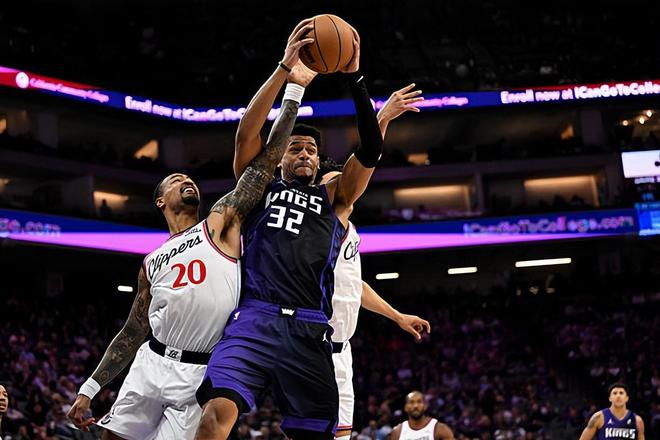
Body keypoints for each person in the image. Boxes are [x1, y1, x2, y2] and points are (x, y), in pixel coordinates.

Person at [65, 23, 312, 440]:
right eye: (176, 179)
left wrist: (292, 87)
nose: (187, 180)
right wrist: (89, 389)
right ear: (160, 201)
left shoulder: (220, 220)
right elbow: (132, 331)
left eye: (190, 178)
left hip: (200, 368)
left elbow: (267, 161)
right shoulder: (151, 261)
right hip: (150, 363)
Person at [195, 19, 383, 440]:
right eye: (295, 148)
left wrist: (355, 79)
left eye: (312, 150)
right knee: (213, 416)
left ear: (320, 161)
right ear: (279, 157)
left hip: (309, 326)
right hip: (255, 317)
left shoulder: (336, 198)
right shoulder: (259, 187)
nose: (304, 154)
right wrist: (285, 73)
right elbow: (247, 133)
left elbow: (371, 149)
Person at [321, 83, 429, 440]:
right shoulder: (316, 228)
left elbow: (355, 287)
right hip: (312, 348)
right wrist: (381, 119)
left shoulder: (350, 232)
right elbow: (365, 158)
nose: (343, 189)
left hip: (342, 352)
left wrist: (397, 316)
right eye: (333, 184)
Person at [578, 383, 645, 440]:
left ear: (627, 398)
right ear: (610, 398)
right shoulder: (598, 417)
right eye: (615, 393)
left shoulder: (637, 420)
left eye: (621, 393)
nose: (618, 396)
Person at [390, 391, 454, 440]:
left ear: (425, 406)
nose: (416, 406)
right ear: (406, 408)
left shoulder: (440, 429)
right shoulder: (397, 432)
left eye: (419, 402)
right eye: (411, 402)